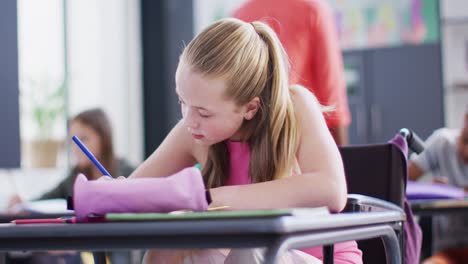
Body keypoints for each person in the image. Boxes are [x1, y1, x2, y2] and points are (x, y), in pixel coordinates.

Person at [128, 18, 362, 263]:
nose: (189, 120)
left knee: (246, 254)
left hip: (321, 258)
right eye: (182, 102)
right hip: (248, 255)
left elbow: (332, 190)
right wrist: (107, 193)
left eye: (204, 112)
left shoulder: (295, 107)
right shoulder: (193, 130)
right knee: (167, 248)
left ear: (250, 107)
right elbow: (132, 192)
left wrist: (209, 199)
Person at [7, 108, 135, 264]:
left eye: (84, 139)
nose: (77, 148)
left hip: (114, 252)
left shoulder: (130, 173)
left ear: (104, 138)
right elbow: (47, 200)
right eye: (73, 141)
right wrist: (23, 203)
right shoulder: (75, 177)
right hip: (81, 248)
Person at [232, 0, 351, 145]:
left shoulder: (241, 13)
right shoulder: (313, 8)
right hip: (301, 137)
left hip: (254, 138)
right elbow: (331, 88)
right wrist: (343, 158)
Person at [408, 107, 468, 264]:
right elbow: (403, 180)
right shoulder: (443, 142)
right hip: (447, 250)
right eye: (466, 142)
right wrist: (428, 189)